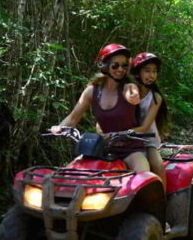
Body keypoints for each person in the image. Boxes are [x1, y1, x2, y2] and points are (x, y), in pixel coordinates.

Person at [50, 43, 150, 173]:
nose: (120, 69)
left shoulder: (129, 86)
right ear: (105, 65)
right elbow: (73, 118)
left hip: (131, 150)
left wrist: (133, 95)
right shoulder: (92, 91)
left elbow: (133, 92)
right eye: (115, 65)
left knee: (144, 177)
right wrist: (59, 128)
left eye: (124, 65)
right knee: (68, 174)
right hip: (102, 148)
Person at [130, 52, 169, 188]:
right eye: (147, 71)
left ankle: (162, 201)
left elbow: (145, 127)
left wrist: (122, 132)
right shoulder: (127, 91)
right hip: (122, 139)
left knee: (157, 165)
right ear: (137, 72)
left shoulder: (155, 97)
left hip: (147, 139)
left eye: (154, 71)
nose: (151, 75)